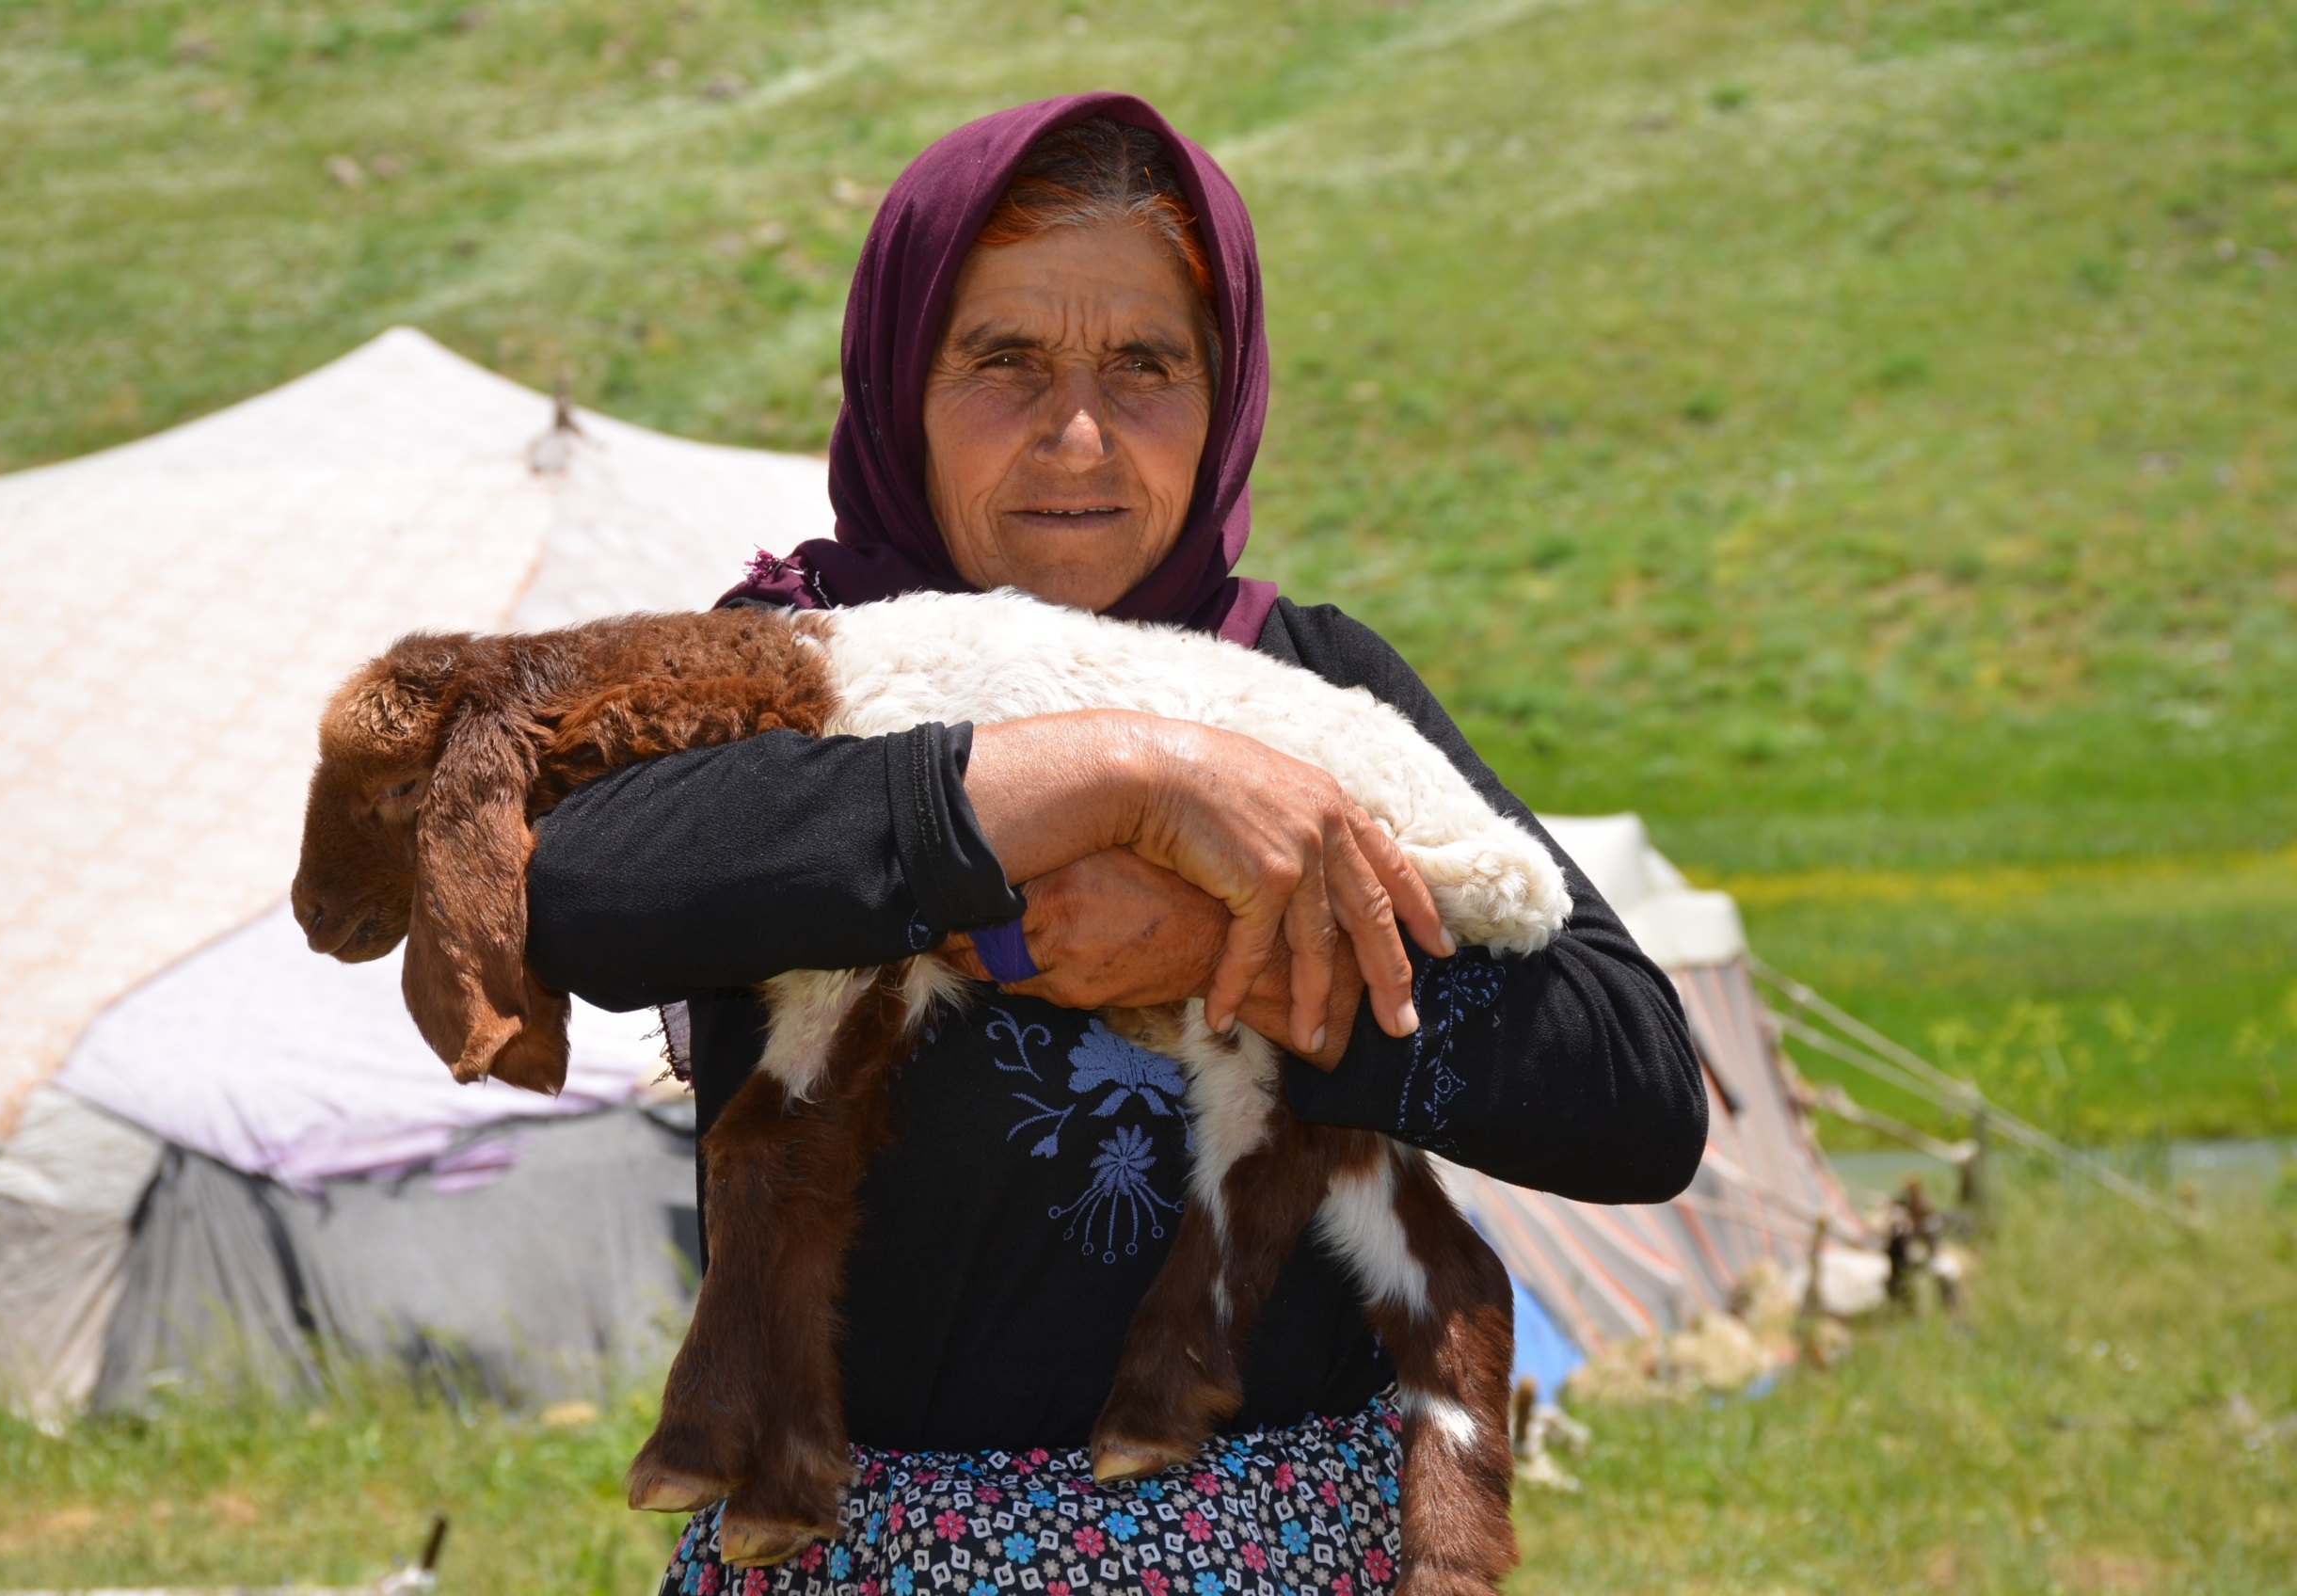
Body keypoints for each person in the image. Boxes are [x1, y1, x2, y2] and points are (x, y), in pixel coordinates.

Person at [525, 94, 1706, 1596]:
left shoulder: (1314, 684)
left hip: (1281, 1560)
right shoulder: (800, 666)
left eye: (1145, 366)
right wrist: (1113, 771)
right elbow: (573, 887)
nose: (1075, 434)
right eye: (1002, 359)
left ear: (1225, 397)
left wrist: (1230, 953)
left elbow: (1638, 1089)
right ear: (898, 382)